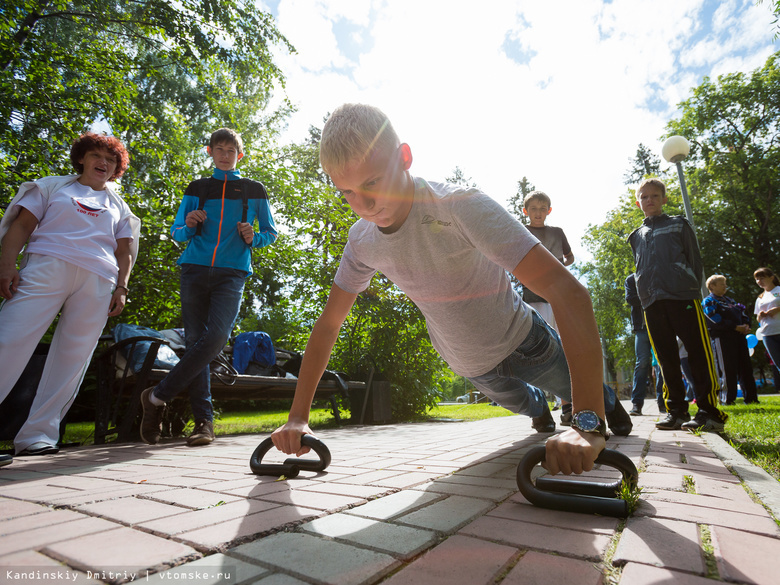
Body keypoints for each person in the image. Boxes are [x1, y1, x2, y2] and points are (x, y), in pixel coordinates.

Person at [271, 103, 631, 476]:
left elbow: (567, 291)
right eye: (346, 192)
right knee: (530, 406)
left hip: (525, 341)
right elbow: (329, 324)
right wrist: (297, 417)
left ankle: (605, 409)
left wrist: (587, 422)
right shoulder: (362, 241)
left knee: (583, 395)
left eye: (372, 183)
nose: (364, 205)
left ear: (404, 158)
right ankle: (542, 410)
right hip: (471, 363)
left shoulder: (459, 206)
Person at [0, 132, 139, 456]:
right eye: (95, 155)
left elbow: (125, 252)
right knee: (8, 340)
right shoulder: (53, 186)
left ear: (117, 167)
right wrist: (7, 266)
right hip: (46, 268)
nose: (102, 163)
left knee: (72, 359)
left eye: (111, 159)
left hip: (98, 281)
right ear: (81, 158)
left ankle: (38, 436)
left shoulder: (118, 205)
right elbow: (21, 227)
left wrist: (122, 287)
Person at [140, 128, 277, 447]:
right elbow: (176, 232)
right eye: (220, 149)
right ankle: (204, 423)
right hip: (194, 270)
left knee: (213, 340)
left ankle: (156, 398)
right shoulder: (197, 188)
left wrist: (252, 238)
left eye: (231, 150)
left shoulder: (253, 190)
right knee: (196, 345)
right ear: (210, 152)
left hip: (232, 273)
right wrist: (188, 224)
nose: (225, 154)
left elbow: (270, 233)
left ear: (239, 156)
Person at [627, 177, 726, 432]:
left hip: (683, 298)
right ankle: (676, 411)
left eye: (654, 196)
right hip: (651, 302)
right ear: (638, 202)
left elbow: (694, 261)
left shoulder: (678, 225)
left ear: (664, 199)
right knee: (665, 358)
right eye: (644, 197)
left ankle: (709, 411)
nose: (649, 200)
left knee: (698, 352)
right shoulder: (636, 236)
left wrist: (689, 287)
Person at [521, 191, 575, 422]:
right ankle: (540, 411)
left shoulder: (557, 233)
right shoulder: (521, 231)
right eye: (533, 208)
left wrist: (559, 266)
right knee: (535, 351)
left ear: (549, 211)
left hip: (557, 296)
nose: (538, 213)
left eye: (543, 208)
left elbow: (569, 257)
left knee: (564, 348)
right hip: (533, 297)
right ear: (525, 211)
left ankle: (568, 406)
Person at [703, 274, 759, 405]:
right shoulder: (708, 301)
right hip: (722, 339)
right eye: (722, 284)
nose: (725, 287)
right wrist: (734, 327)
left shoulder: (730, 301)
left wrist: (746, 325)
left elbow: (743, 313)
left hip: (739, 337)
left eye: (725, 284)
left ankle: (751, 398)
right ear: (712, 286)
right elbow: (713, 319)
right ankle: (727, 399)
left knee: (746, 368)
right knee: (727, 369)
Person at [624, 273, 652, 416]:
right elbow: (631, 299)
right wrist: (650, 295)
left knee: (662, 365)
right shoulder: (631, 279)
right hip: (641, 329)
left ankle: (666, 405)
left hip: (660, 326)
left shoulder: (657, 273)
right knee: (641, 363)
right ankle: (637, 404)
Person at [753, 267, 780, 372]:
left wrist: (777, 309)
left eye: (762, 278)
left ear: (772, 278)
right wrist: (760, 315)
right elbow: (757, 319)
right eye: (757, 279)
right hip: (768, 334)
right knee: (778, 364)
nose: (759, 281)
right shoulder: (760, 298)